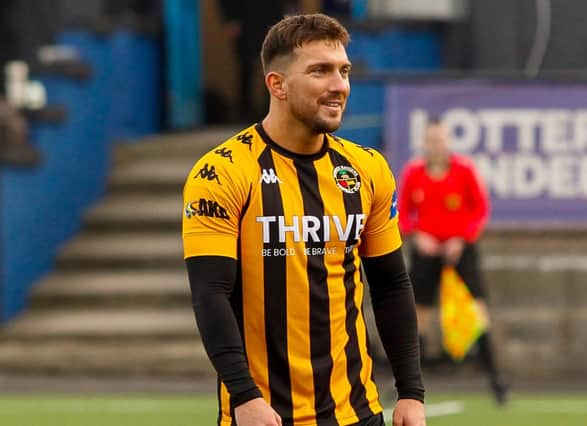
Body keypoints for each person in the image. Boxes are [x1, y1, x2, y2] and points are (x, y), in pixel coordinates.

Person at [183, 13, 426, 426]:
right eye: (320, 71)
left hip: (357, 412)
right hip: (263, 415)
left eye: (344, 71)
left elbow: (390, 284)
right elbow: (211, 294)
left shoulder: (367, 169)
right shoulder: (222, 171)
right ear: (277, 85)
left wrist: (411, 393)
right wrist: (244, 397)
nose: (339, 85)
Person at [397, 119, 508, 405]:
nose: (437, 145)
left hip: (460, 252)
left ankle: (497, 381)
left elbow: (480, 210)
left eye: (441, 139)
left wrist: (462, 237)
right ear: (425, 142)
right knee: (417, 314)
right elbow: (402, 212)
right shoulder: (414, 173)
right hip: (425, 253)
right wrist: (417, 235)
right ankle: (409, 384)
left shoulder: (465, 170)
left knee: (478, 312)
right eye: (431, 139)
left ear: (448, 141)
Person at [217, 0, 293, 122]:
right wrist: (230, 18)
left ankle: (271, 108)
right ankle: (244, 110)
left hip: (273, 14)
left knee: (274, 64)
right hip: (245, 16)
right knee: (246, 66)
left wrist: (291, 12)